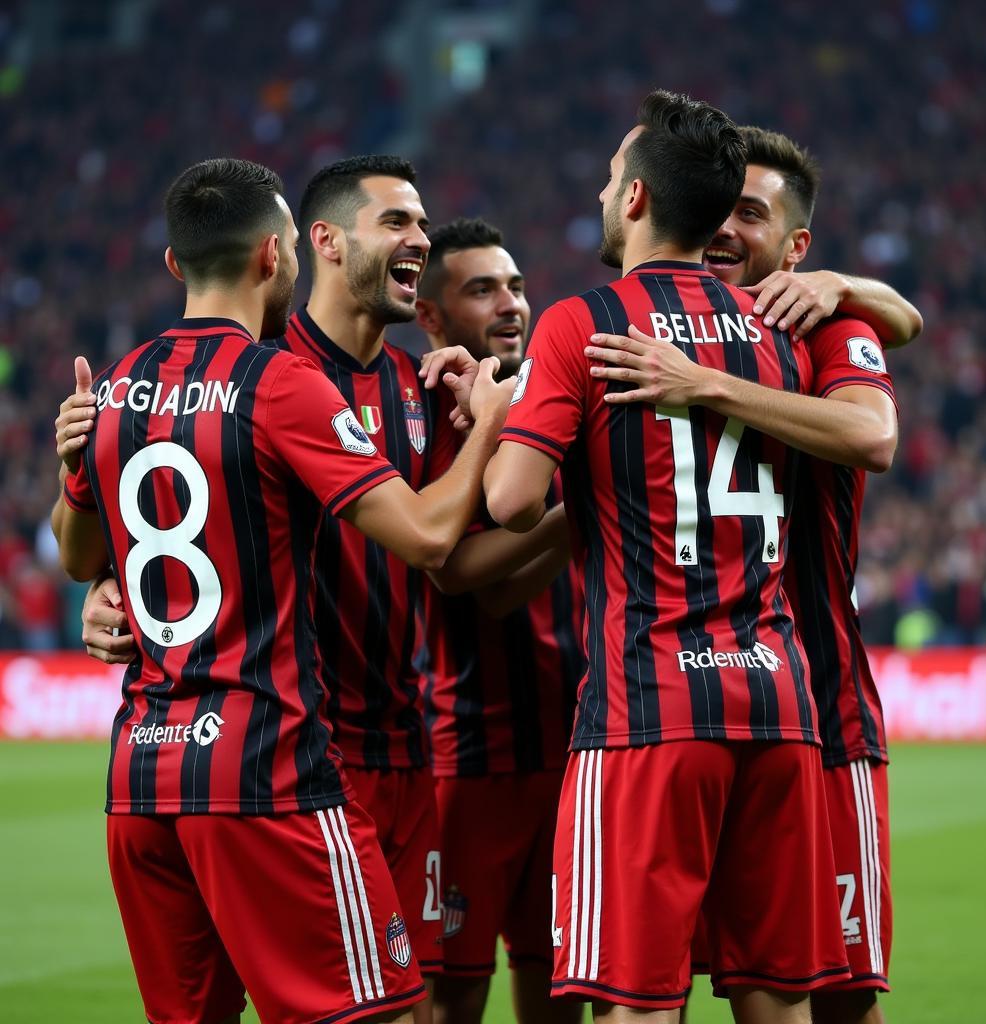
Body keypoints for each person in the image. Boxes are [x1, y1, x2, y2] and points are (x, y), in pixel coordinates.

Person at [51, 156, 512, 1024]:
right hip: (277, 763)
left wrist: (75, 484)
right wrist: (491, 428)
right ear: (282, 255)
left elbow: (81, 554)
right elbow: (424, 536)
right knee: (391, 1013)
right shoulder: (278, 379)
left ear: (173, 264)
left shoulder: (115, 386)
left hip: (145, 767)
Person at [480, 89, 854, 1024]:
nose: (604, 191)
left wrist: (507, 417)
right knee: (780, 1001)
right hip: (778, 697)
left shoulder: (585, 321)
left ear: (639, 197)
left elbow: (511, 501)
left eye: (612, 178)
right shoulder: (782, 335)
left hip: (653, 702)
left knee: (637, 1004)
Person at [585, 125, 908, 1024]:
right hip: (682, 706)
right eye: (719, 209)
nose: (724, 230)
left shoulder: (823, 324)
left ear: (799, 249)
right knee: (653, 992)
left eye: (752, 216)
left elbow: (871, 435)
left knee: (834, 1000)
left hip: (819, 715)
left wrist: (712, 380)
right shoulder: (649, 334)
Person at [415, 217, 584, 1024]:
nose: (511, 303)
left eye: (515, 285)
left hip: (572, 751)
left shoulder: (554, 402)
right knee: (454, 995)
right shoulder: (433, 419)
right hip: (468, 756)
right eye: (483, 289)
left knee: (557, 988)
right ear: (433, 317)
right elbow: (471, 585)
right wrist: (583, 511)